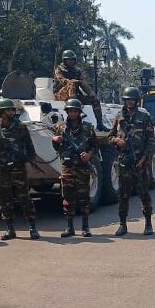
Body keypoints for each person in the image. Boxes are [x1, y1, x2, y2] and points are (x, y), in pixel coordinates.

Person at [0, 99, 40, 241]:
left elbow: (29, 146)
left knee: (24, 198)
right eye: (9, 110)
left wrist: (33, 162)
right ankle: (10, 229)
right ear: (1, 112)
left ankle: (32, 227)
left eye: (13, 110)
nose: (12, 112)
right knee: (4, 199)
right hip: (1, 169)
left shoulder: (20, 127)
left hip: (17, 168)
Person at [108, 87, 155, 236]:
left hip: (140, 161)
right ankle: (122, 224)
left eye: (132, 99)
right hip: (124, 161)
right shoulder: (119, 117)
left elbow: (151, 141)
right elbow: (109, 137)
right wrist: (117, 140)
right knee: (123, 194)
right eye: (127, 99)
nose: (129, 102)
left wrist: (144, 158)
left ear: (137, 101)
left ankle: (148, 223)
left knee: (144, 194)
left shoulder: (144, 117)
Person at [52, 99, 98, 238]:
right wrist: (55, 141)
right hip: (67, 168)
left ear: (79, 112)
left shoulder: (88, 128)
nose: (72, 113)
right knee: (67, 199)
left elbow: (95, 146)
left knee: (84, 199)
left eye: (75, 111)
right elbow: (57, 148)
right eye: (70, 111)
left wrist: (89, 155)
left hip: (82, 168)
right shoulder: (61, 128)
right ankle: (69, 227)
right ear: (67, 112)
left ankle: (85, 227)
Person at [54, 50, 107, 130]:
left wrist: (92, 95)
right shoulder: (59, 69)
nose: (71, 61)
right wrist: (72, 81)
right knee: (72, 83)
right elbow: (62, 80)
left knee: (93, 98)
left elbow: (83, 82)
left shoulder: (77, 70)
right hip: (61, 94)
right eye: (68, 59)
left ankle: (99, 123)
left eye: (72, 59)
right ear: (64, 60)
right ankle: (77, 108)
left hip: (75, 94)